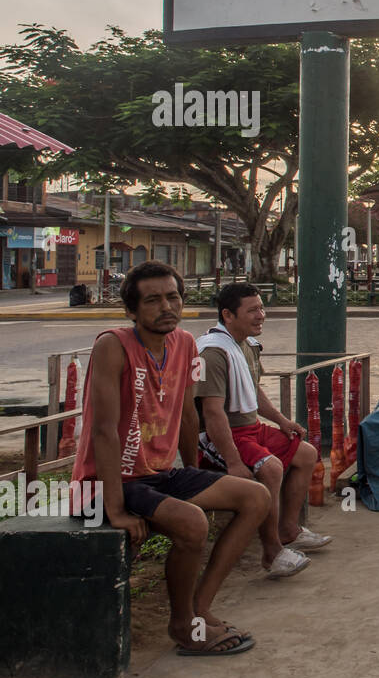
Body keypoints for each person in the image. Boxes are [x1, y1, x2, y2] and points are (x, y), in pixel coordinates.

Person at [72, 261, 270, 655]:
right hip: (109, 481)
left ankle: (199, 607)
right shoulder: (112, 345)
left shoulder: (184, 343)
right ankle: (183, 626)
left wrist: (194, 472)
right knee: (192, 523)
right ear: (132, 310)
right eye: (153, 300)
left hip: (160, 473)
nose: (166, 306)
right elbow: (104, 431)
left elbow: (185, 414)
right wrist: (115, 509)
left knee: (255, 497)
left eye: (173, 296)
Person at [195, 283, 331, 579]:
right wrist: (232, 460)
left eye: (262, 308)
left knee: (306, 453)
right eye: (253, 310)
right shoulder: (213, 353)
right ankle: (271, 552)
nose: (261, 316)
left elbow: (253, 390)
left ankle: (289, 531)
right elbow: (212, 412)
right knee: (270, 469)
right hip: (222, 437)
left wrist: (282, 421)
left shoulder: (246, 345)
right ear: (228, 315)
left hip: (251, 428)